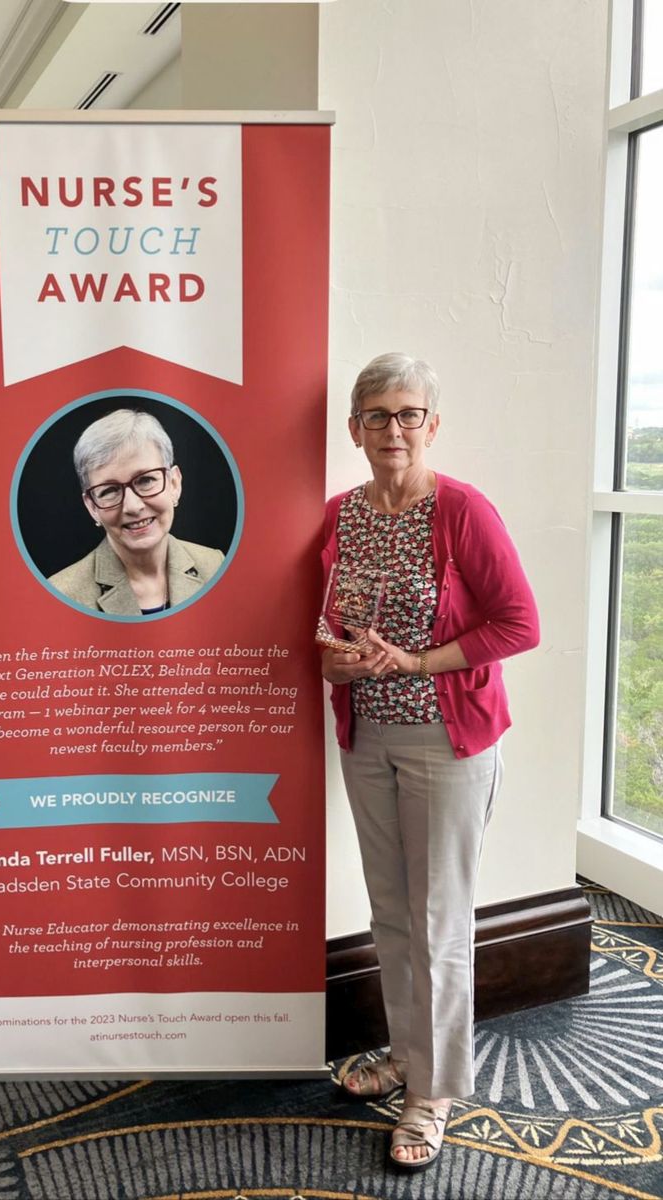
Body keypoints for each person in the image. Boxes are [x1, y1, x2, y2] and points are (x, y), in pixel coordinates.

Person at [320, 353, 538, 1171]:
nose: (393, 430)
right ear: (354, 429)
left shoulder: (463, 511)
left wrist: (417, 665)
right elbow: (320, 619)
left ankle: (434, 1091)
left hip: (448, 744)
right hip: (366, 739)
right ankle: (408, 1058)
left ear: (432, 426)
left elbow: (518, 625)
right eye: (376, 415)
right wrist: (330, 659)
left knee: (440, 922)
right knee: (392, 915)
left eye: (408, 414)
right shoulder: (341, 515)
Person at [48, 409, 224, 615]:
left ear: (174, 484)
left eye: (146, 480)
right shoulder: (61, 594)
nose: (132, 506)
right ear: (92, 506)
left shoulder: (215, 565)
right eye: (110, 491)